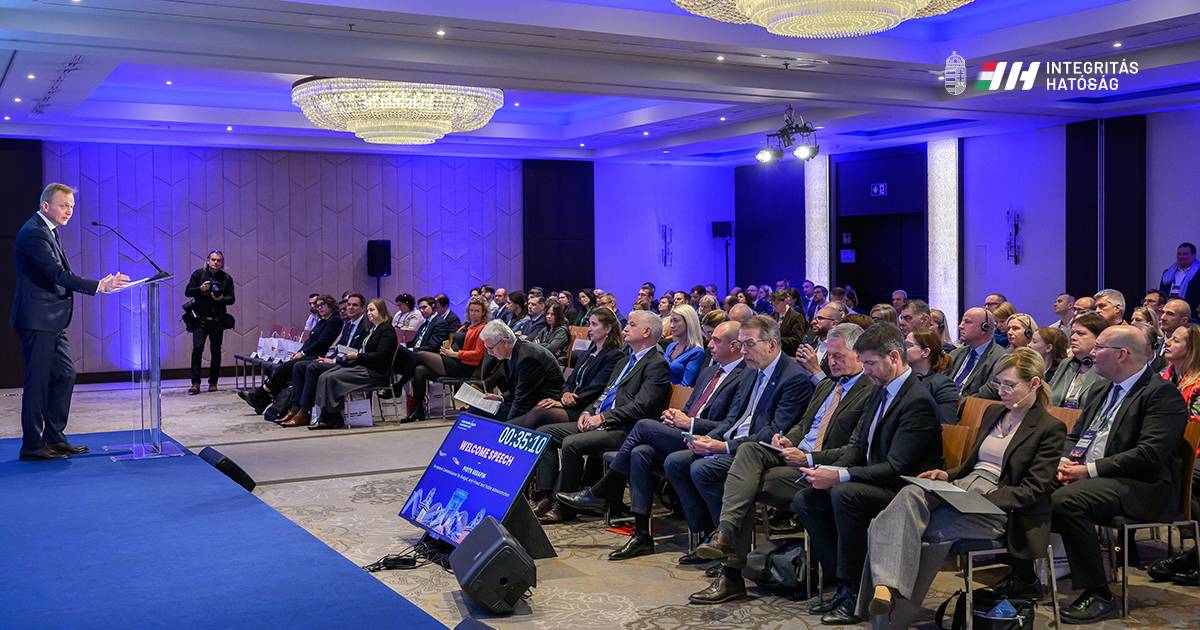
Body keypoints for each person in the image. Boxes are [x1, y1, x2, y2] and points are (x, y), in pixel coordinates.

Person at [861, 348, 1066, 624]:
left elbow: (1034, 490)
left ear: (1034, 384)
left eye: (1010, 385)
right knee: (909, 494)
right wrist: (946, 475)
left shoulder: (1049, 427)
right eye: (999, 383)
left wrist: (984, 500)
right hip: (964, 487)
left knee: (898, 526)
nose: (1001, 391)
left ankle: (889, 616)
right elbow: (973, 464)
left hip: (1001, 505)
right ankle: (887, 591)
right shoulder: (995, 412)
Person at [688, 324, 876, 601]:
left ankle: (730, 568)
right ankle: (725, 538)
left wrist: (808, 457)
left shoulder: (869, 390)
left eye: (839, 356)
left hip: (821, 467)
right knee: (749, 451)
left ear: (859, 355)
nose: (831, 362)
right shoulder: (827, 385)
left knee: (741, 485)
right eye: (830, 356)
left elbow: (853, 449)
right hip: (793, 456)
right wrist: (787, 440)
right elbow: (803, 425)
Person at [791, 323, 942, 625]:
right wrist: (829, 469)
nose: (866, 370)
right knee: (806, 499)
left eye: (871, 363)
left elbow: (897, 468)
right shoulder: (880, 389)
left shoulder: (917, 401)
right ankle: (841, 581)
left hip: (904, 490)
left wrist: (841, 476)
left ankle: (853, 592)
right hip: (876, 480)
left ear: (894, 357)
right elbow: (858, 447)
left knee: (845, 494)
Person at [556, 321, 749, 558]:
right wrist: (674, 416)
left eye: (716, 341)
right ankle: (642, 536)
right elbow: (689, 408)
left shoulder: (744, 376)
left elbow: (730, 425)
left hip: (708, 439)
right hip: (685, 433)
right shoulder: (709, 372)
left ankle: (602, 490)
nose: (710, 345)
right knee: (640, 453)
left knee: (643, 426)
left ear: (734, 346)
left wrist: (689, 423)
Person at [1051, 325, 1188, 624]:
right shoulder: (1101, 388)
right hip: (1094, 475)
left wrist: (1088, 470)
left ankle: (1099, 594)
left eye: (1099, 347)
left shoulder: (1161, 395)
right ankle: (1025, 576)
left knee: (1067, 501)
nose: (1092, 352)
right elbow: (1076, 435)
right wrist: (1065, 460)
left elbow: (1149, 455)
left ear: (1122, 354)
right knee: (1034, 481)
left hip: (1140, 485)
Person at [664, 315, 814, 587]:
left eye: (749, 344)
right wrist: (707, 438)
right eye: (741, 344)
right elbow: (733, 419)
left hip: (764, 452)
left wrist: (723, 447)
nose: (743, 351)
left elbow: (774, 431)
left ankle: (724, 542)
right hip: (736, 444)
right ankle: (708, 535)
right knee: (676, 461)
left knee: (704, 469)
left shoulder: (794, 378)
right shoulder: (750, 371)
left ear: (771, 344)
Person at [11, 183, 129, 460]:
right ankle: (32, 446)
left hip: (52, 320)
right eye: (64, 205)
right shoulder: (34, 233)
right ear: (46, 206)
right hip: (38, 319)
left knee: (65, 374)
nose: (69, 211)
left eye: (72, 207)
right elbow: (57, 274)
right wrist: (98, 285)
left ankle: (54, 437)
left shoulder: (48, 230)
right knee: (38, 383)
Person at [536, 310, 672, 524]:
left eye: (632, 325)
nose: (625, 328)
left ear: (646, 332)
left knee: (571, 444)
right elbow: (605, 394)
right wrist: (588, 412)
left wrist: (603, 418)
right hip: (603, 421)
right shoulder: (626, 361)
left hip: (625, 429)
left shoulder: (656, 364)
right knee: (544, 434)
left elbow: (642, 407)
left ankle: (564, 507)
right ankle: (546, 494)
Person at [239, 293, 359, 414]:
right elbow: (310, 340)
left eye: (322, 305)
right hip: (311, 354)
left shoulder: (334, 320)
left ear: (330, 305)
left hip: (319, 355)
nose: (319, 308)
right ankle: (264, 401)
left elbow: (322, 342)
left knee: (287, 367)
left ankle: (264, 397)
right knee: (284, 369)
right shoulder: (323, 321)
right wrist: (299, 352)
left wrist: (302, 353)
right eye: (318, 306)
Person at [1149, 324, 1200, 584]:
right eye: (1169, 338)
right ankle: (1194, 554)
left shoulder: (1199, 383)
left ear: (1192, 349)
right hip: (1169, 449)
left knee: (1188, 479)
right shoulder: (1162, 377)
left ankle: (1196, 553)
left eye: (1176, 340)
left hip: (1194, 450)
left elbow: (1195, 426)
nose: (1167, 343)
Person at [276, 297, 373, 427]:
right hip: (339, 358)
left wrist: (333, 360)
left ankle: (304, 411)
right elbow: (340, 347)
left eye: (354, 305)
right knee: (299, 366)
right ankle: (295, 408)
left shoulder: (366, 326)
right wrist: (330, 358)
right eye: (349, 305)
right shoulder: (348, 324)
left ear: (362, 308)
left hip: (350, 363)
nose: (350, 308)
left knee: (313, 368)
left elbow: (357, 352)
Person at [308, 299, 399, 429]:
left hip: (375, 372)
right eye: (368, 310)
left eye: (372, 310)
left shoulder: (387, 330)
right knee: (324, 375)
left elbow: (381, 355)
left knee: (332, 378)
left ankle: (331, 417)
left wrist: (357, 356)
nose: (369, 313)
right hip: (364, 366)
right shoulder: (373, 328)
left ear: (381, 311)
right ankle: (328, 415)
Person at [402, 297, 489, 423]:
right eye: (471, 310)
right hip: (453, 360)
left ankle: (399, 385)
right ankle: (418, 410)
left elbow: (478, 354)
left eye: (477, 311)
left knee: (420, 355)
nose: (473, 313)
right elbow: (457, 342)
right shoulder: (465, 326)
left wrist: (455, 354)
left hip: (466, 367)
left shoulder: (483, 328)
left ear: (483, 313)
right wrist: (448, 349)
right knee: (419, 370)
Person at [476, 320, 565, 423]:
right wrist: (501, 398)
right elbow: (519, 389)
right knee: (478, 408)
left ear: (505, 342)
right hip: (527, 403)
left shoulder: (527, 358)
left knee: (480, 412)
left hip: (541, 409)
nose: (489, 353)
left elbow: (523, 402)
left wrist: (506, 427)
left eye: (491, 348)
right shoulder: (513, 352)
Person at [184, 249, 236, 394]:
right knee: (197, 349)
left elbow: (232, 299)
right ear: (208, 261)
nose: (216, 262)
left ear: (222, 263)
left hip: (217, 320)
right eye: (213, 260)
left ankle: (213, 382)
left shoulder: (226, 278)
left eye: (219, 260)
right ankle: (195, 383)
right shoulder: (199, 274)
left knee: (216, 351)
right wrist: (200, 289)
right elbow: (187, 291)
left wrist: (221, 299)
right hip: (200, 320)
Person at [1048, 312, 1109, 409]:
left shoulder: (1107, 369)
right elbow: (1048, 397)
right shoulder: (1066, 364)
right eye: (1072, 333)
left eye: (1080, 333)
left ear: (1099, 338)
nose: (1073, 337)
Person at [948, 307, 1005, 398]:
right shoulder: (955, 354)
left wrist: (953, 402)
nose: (960, 326)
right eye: (962, 321)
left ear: (985, 327)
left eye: (967, 322)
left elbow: (987, 394)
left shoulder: (1001, 358)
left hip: (969, 406)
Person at [905, 328, 959, 424]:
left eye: (909, 345)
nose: (902, 349)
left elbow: (947, 426)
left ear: (925, 352)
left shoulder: (942, 385)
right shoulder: (903, 379)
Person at [663, 305, 705, 386]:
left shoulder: (696, 352)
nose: (671, 325)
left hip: (677, 393)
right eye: (671, 321)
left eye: (676, 321)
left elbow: (685, 385)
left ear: (688, 322)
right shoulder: (670, 346)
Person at [1159, 242, 1200, 314]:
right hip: (1169, 311)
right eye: (1179, 254)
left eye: (1185, 254)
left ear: (1193, 255)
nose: (1181, 256)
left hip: (1191, 313)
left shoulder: (1198, 273)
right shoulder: (1167, 273)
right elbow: (1162, 294)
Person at [531, 299, 571, 365]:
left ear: (558, 316)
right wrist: (546, 345)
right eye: (547, 314)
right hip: (543, 359)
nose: (549, 316)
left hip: (556, 363)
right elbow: (532, 345)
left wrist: (539, 345)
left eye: (553, 314)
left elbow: (550, 349)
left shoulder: (562, 331)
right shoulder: (545, 329)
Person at [771, 289, 807, 358]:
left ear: (785, 301)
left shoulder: (796, 317)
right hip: (775, 354)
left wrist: (776, 341)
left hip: (789, 355)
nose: (774, 306)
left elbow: (796, 339)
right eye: (772, 303)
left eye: (777, 303)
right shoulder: (773, 315)